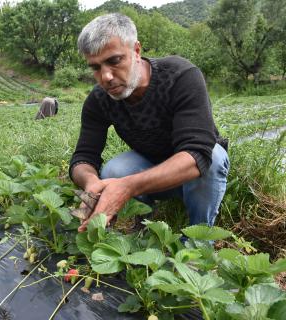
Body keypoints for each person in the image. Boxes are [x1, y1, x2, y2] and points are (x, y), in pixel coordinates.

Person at [69, 13, 229, 233]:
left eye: (114, 60)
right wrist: (90, 182)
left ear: (136, 51)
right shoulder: (99, 99)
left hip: (195, 169)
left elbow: (197, 153)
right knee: (114, 170)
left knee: (214, 158)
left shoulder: (180, 76)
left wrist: (128, 186)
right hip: (152, 164)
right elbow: (83, 157)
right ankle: (145, 229)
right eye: (95, 67)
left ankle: (199, 239)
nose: (105, 76)